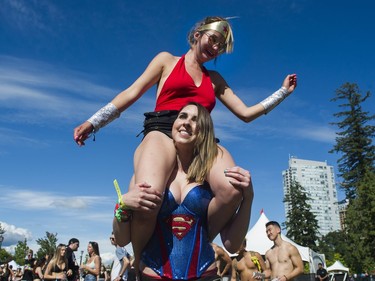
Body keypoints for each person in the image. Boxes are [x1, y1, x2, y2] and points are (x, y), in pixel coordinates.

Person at [74, 16, 297, 267]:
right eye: (212, 39)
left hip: (201, 136)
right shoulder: (166, 61)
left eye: (220, 46)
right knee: (149, 196)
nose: (215, 48)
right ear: (197, 35)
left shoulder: (215, 79)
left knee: (232, 187)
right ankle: (140, 260)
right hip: (162, 129)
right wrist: (94, 122)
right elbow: (132, 92)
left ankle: (200, 240)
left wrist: (282, 93)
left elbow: (245, 113)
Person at [113, 103, 254, 280]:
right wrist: (122, 204)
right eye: (182, 116)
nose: (186, 122)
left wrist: (248, 198)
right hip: (153, 274)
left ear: (204, 131)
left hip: (205, 274)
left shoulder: (210, 180)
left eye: (195, 120)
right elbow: (122, 239)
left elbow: (232, 245)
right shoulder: (148, 175)